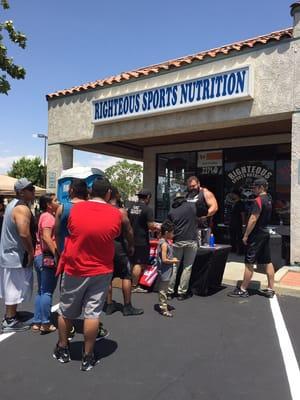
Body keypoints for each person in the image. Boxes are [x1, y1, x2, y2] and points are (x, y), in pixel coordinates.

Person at [53, 179, 122, 371]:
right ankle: (88, 356)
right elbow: (114, 234)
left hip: (75, 267)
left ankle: (63, 349)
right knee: (92, 314)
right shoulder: (115, 213)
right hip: (101, 269)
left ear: (91, 192)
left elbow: (69, 230)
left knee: (66, 311)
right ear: (108, 193)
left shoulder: (75, 210)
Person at [54, 178, 109, 341]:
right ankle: (94, 330)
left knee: (68, 298)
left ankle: (67, 332)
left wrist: (60, 252)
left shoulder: (63, 208)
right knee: (92, 301)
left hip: (69, 258)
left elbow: (57, 233)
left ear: (71, 190)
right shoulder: (93, 208)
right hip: (95, 259)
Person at [228, 178, 276, 298]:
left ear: (261, 187)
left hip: (256, 235)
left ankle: (243, 289)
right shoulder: (269, 200)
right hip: (265, 232)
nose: (253, 189)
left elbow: (253, 218)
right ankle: (271, 289)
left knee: (249, 262)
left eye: (255, 187)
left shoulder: (258, 200)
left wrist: (246, 235)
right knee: (267, 261)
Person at [0, 178, 36, 333]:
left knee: (13, 286)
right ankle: (9, 320)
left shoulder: (13, 205)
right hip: (15, 255)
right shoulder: (21, 208)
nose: (33, 191)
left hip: (11, 254)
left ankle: (12, 314)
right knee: (14, 287)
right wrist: (30, 251)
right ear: (21, 192)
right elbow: (23, 232)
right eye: (30, 188)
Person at [106, 187, 144, 316]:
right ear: (116, 196)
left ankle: (109, 304)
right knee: (126, 276)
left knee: (108, 277)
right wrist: (132, 245)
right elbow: (129, 231)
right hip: (120, 246)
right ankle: (127, 306)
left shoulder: (103, 210)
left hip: (107, 246)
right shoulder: (120, 211)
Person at [31, 194, 59, 334]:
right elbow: (47, 238)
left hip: (39, 255)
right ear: (48, 204)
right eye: (55, 200)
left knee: (42, 290)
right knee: (47, 291)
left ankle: (37, 321)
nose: (58, 202)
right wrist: (57, 254)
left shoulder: (43, 216)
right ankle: (46, 323)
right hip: (46, 256)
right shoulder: (48, 217)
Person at [167, 192, 198, 301]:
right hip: (191, 240)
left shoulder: (172, 211)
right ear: (184, 198)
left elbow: (168, 227)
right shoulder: (192, 207)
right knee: (187, 267)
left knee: (174, 267)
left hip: (178, 240)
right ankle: (182, 292)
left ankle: (170, 292)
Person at [128, 189, 158, 293]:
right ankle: (135, 286)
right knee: (138, 263)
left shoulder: (130, 207)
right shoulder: (147, 209)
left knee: (131, 262)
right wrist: (157, 228)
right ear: (148, 197)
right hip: (141, 240)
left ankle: (129, 282)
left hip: (130, 239)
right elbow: (150, 226)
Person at [156, 220, 179, 317]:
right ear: (166, 233)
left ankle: (164, 304)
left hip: (166, 270)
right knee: (163, 290)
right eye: (172, 232)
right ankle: (163, 308)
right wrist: (174, 261)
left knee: (164, 289)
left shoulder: (164, 242)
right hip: (164, 270)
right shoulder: (164, 244)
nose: (173, 234)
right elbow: (164, 259)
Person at [186, 176, 218, 241]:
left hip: (203, 229)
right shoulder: (187, 195)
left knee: (203, 250)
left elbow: (214, 207)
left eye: (193, 186)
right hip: (190, 229)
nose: (192, 188)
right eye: (190, 187)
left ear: (198, 184)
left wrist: (204, 215)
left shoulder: (205, 193)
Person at [229, 189, 246, 255]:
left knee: (239, 237)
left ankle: (240, 251)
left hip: (238, 223)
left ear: (237, 195)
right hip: (232, 222)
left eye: (233, 194)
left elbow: (243, 214)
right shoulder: (233, 203)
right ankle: (233, 249)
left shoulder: (240, 203)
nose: (232, 195)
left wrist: (243, 224)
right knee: (232, 237)